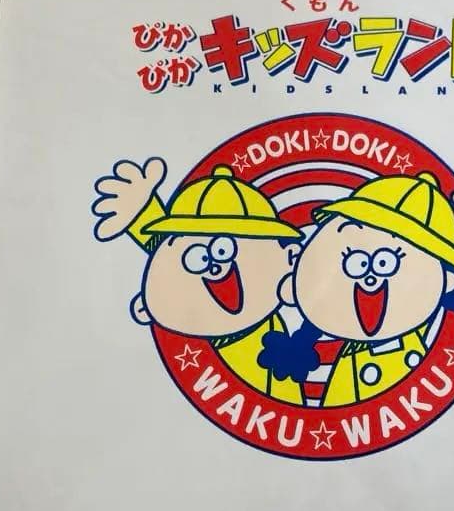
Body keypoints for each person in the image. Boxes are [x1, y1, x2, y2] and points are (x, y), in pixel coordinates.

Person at [259, 168, 454, 406]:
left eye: (385, 263)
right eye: (355, 261)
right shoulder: (350, 334)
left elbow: (437, 272)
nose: (370, 279)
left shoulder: (413, 309)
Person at [92, 157, 304, 403]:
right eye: (198, 258)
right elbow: (171, 259)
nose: (216, 268)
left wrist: (145, 216)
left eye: (223, 250)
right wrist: (143, 215)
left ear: (290, 259)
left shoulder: (269, 338)